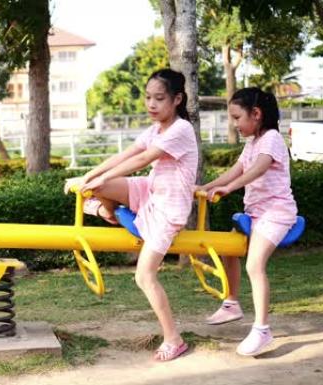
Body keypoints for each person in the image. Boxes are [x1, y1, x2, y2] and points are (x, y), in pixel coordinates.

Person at [65, 69, 198, 361]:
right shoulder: (154, 130)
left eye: (159, 98)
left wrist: (98, 181)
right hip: (148, 191)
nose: (151, 104)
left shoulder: (181, 129)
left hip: (168, 210)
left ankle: (174, 339)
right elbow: (126, 154)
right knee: (97, 187)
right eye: (148, 97)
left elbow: (142, 159)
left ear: (177, 99)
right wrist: (88, 176)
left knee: (144, 276)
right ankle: (109, 212)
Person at [198, 87, 297, 356]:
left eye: (237, 117)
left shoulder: (272, 139)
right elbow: (236, 170)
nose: (234, 123)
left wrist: (228, 189)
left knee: (254, 265)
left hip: (276, 213)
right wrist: (205, 186)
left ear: (256, 114)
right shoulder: (252, 142)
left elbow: (257, 170)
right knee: (229, 250)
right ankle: (231, 304)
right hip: (255, 212)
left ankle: (262, 330)